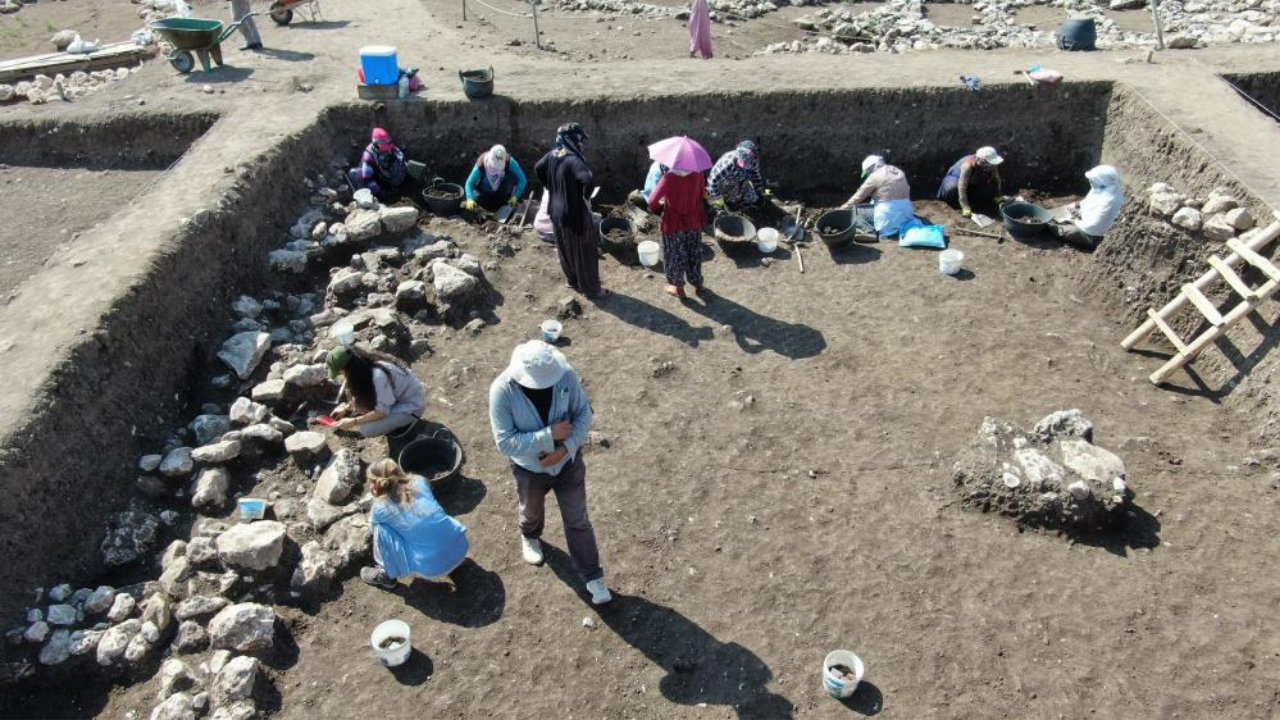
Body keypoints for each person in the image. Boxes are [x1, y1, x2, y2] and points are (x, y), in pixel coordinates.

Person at [488, 341, 612, 605]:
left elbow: (583, 414)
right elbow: (505, 443)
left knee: (578, 519)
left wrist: (564, 449)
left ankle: (593, 575)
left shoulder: (565, 374)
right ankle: (530, 535)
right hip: (530, 469)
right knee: (531, 509)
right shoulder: (502, 391)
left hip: (569, 463)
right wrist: (548, 436)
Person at [360, 459, 470, 590]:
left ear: (375, 484)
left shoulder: (380, 507)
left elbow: (372, 527)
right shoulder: (419, 481)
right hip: (461, 546)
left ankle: (386, 574)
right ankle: (447, 555)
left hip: (432, 568)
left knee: (380, 529)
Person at [534, 123, 610, 299]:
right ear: (573, 139)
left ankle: (573, 281)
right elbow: (588, 180)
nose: (582, 144)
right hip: (575, 213)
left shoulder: (552, 155)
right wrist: (586, 196)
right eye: (580, 140)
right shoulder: (574, 160)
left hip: (555, 211)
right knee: (585, 251)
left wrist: (550, 186)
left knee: (565, 247)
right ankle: (592, 289)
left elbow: (538, 167)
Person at [324, 346, 427, 438]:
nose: (341, 375)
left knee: (367, 430)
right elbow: (363, 392)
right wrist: (346, 408)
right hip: (399, 397)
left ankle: (407, 422)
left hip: (413, 405)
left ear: (348, 368)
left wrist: (352, 421)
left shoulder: (378, 376)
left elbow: (382, 412)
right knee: (365, 405)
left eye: (340, 372)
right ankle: (396, 420)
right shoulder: (363, 366)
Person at [649, 166, 708, 298]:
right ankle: (698, 284)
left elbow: (652, 201)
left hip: (673, 223)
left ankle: (679, 288)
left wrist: (662, 206)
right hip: (693, 221)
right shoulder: (698, 173)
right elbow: (701, 193)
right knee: (693, 253)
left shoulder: (668, 177)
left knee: (675, 254)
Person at [1050, 165, 1124, 250]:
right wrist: (1077, 205)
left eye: (1094, 180)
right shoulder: (1102, 188)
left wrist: (1074, 222)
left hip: (1092, 236)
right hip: (1086, 220)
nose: (1092, 182)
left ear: (1102, 181)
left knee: (1060, 229)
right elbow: (1089, 201)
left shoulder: (1110, 201)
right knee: (1068, 210)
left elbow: (1092, 228)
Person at [841, 155, 915, 238]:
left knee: (860, 211)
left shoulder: (874, 176)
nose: (867, 175)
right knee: (874, 201)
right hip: (907, 215)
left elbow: (858, 197)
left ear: (871, 168)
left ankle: (873, 230)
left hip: (887, 223)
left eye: (867, 173)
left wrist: (842, 208)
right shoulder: (897, 171)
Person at [937, 146, 1006, 217]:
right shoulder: (967, 166)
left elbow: (996, 178)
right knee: (952, 188)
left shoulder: (991, 164)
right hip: (956, 177)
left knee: (988, 189)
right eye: (989, 163)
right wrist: (965, 207)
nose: (991, 165)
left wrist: (998, 195)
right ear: (982, 160)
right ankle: (955, 202)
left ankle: (971, 196)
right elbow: (962, 187)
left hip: (972, 179)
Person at [463, 144, 528, 213]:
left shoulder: (510, 162)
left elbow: (522, 179)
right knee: (475, 201)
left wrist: (516, 196)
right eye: (494, 168)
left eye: (499, 167)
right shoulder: (481, 164)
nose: (496, 170)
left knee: (504, 200)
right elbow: (470, 183)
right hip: (484, 193)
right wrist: (469, 198)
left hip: (502, 192)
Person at [349, 128, 408, 199]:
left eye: (387, 146)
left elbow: (400, 156)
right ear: (375, 145)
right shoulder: (368, 156)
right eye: (383, 148)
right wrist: (381, 192)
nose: (386, 150)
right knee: (355, 173)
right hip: (378, 176)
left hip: (389, 177)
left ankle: (390, 186)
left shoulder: (391, 148)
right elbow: (367, 179)